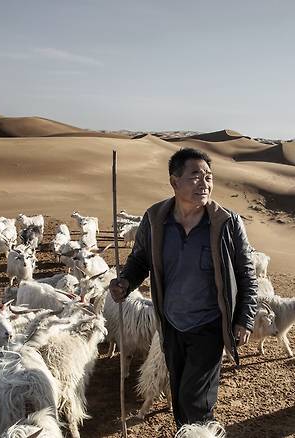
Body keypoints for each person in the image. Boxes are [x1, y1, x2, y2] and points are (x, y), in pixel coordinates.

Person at [109, 147, 258, 427]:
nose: (205, 184)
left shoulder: (227, 223)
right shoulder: (155, 220)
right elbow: (139, 260)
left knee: (196, 399)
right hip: (171, 325)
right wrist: (125, 283)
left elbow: (246, 275)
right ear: (174, 182)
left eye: (209, 177)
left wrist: (244, 320)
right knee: (178, 395)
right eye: (195, 176)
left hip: (210, 324)